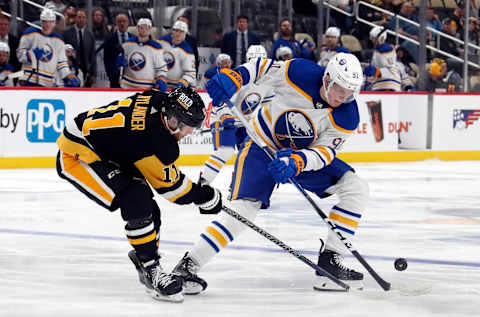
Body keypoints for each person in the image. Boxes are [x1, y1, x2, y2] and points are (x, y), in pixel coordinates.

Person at [172, 52, 369, 293]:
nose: (346, 97)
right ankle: (189, 264)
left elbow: (325, 152)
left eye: (351, 92)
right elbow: (263, 68)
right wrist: (237, 76)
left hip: (299, 157)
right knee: (244, 207)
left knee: (356, 188)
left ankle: (330, 261)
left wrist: (297, 163)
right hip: (260, 144)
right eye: (341, 89)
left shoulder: (348, 115)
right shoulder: (299, 72)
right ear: (327, 79)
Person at [56, 86, 223, 302]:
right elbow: (173, 190)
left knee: (149, 209)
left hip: (109, 149)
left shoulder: (158, 99)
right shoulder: (154, 140)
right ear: (173, 120)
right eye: (188, 127)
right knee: (136, 198)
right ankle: (150, 268)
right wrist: (205, 197)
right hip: (77, 155)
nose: (190, 132)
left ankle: (147, 262)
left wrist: (201, 195)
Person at [198, 45, 271, 190]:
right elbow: (219, 102)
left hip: (245, 124)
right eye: (253, 61)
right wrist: (225, 116)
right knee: (226, 150)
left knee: (251, 154)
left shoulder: (269, 83)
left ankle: (239, 186)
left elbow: (269, 108)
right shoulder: (237, 77)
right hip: (222, 118)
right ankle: (203, 184)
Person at [16, 8, 79, 87]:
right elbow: (19, 54)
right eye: (45, 21)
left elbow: (61, 63)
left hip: (47, 83)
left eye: (51, 22)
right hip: (28, 79)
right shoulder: (30, 32)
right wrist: (30, 55)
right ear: (41, 21)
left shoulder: (59, 40)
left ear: (54, 22)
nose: (48, 24)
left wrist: (68, 76)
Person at [118, 18, 167, 91]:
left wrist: (161, 79)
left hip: (147, 88)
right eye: (141, 27)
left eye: (146, 28)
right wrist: (119, 63)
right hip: (127, 86)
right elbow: (120, 64)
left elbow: (161, 68)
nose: (144, 30)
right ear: (137, 28)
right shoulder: (127, 44)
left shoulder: (156, 47)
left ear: (150, 29)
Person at [364, 26, 414, 91]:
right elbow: (372, 74)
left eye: (374, 38)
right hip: (377, 88)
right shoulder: (375, 54)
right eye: (372, 38)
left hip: (390, 87)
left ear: (381, 38)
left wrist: (408, 87)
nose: (373, 41)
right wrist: (365, 81)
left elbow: (394, 72)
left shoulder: (390, 53)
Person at [63, 8, 96, 87]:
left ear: (86, 19)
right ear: (75, 18)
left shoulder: (90, 34)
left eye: (83, 17)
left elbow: (93, 55)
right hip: (71, 69)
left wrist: (93, 73)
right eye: (79, 17)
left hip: (86, 70)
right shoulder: (67, 33)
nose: (81, 19)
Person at [158, 20, 196, 89]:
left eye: (181, 32)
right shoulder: (162, 42)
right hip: (159, 82)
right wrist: (159, 77)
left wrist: (183, 82)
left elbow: (191, 73)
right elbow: (155, 61)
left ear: (185, 34)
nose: (178, 34)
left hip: (175, 86)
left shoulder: (187, 51)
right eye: (176, 31)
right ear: (172, 31)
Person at [103, 13, 132, 88]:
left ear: (128, 23)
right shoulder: (109, 39)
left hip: (131, 77)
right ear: (116, 23)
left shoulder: (133, 39)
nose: (122, 23)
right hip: (115, 78)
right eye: (119, 21)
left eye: (124, 21)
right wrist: (111, 75)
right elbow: (106, 59)